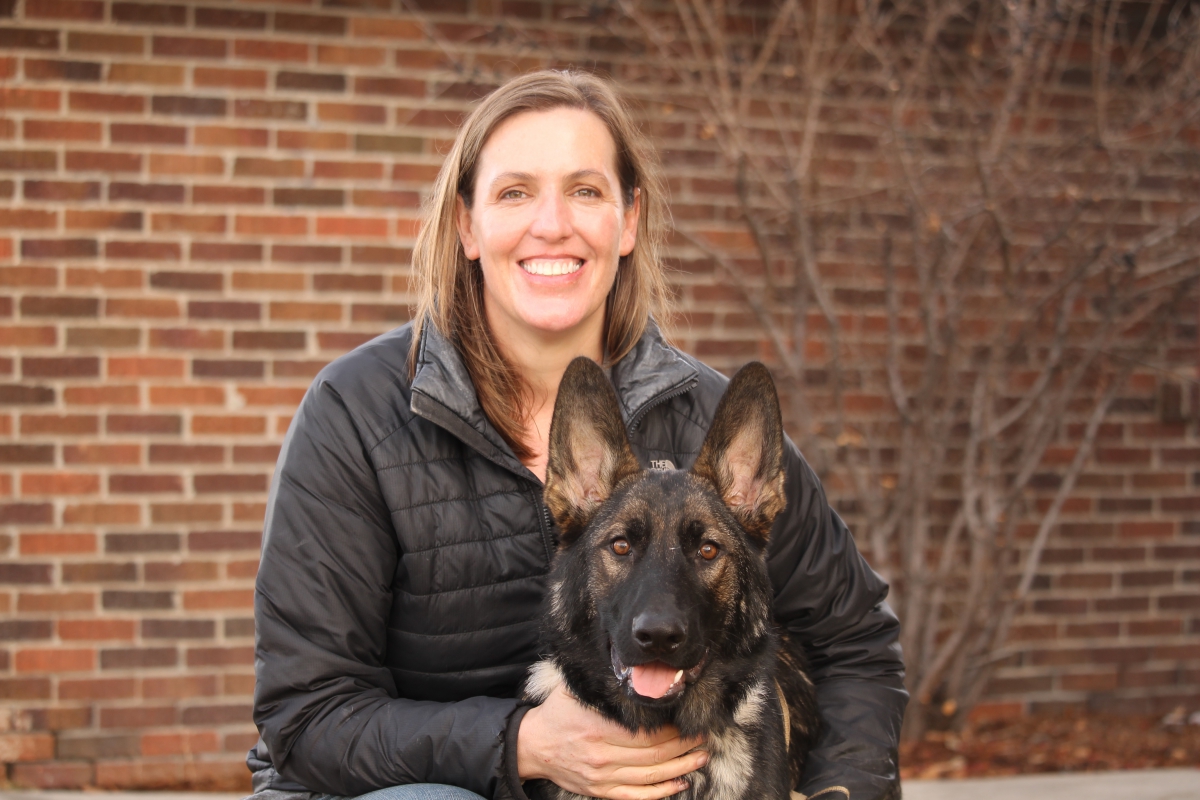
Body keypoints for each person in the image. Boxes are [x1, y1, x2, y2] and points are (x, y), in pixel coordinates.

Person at [247, 70, 906, 800]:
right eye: (515, 191)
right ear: (466, 224)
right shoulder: (357, 414)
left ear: (627, 222)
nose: (553, 223)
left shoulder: (706, 419)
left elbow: (855, 643)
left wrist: (846, 790)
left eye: (586, 191)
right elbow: (307, 717)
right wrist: (524, 744)